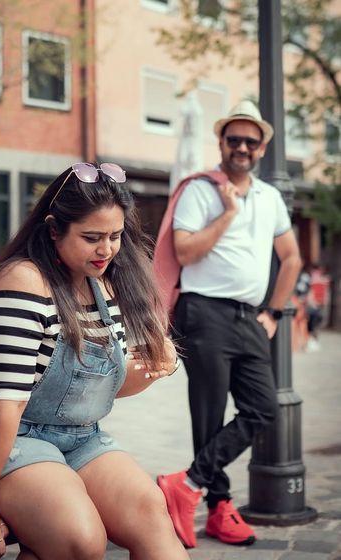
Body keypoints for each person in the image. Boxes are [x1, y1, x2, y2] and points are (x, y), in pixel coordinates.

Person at [0, 162, 189, 560]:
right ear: (54, 229)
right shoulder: (21, 281)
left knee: (150, 512)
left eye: (115, 236)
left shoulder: (105, 284)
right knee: (80, 540)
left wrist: (158, 366)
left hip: (79, 438)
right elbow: (9, 407)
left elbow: (94, 391)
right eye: (92, 237)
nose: (106, 249)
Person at [154, 100, 302, 548]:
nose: (241, 146)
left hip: (250, 318)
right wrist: (228, 215)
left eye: (250, 141)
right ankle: (219, 507)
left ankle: (187, 483)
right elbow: (185, 253)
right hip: (205, 314)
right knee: (209, 415)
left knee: (263, 408)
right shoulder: (199, 190)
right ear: (220, 142)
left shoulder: (271, 197)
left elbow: (291, 258)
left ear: (261, 149)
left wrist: (273, 312)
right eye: (233, 139)